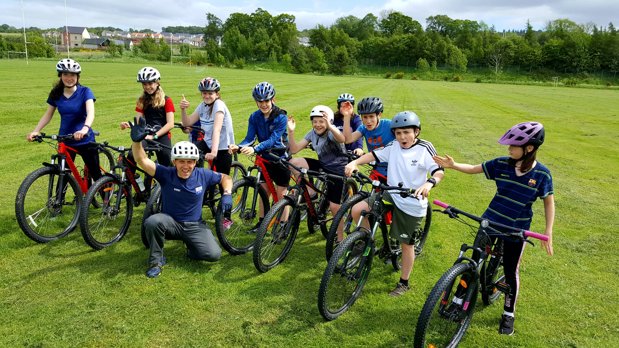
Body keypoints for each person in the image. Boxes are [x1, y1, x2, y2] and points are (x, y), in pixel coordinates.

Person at [433, 121, 554, 336]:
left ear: (529, 148)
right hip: (490, 221)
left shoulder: (542, 175)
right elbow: (474, 168)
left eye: (513, 147)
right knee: (473, 261)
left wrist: (548, 232)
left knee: (510, 271)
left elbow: (548, 202)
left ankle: (508, 313)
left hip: (516, 230)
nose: (508, 150)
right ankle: (457, 301)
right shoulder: (501, 164)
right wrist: (453, 165)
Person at [345, 111, 444, 297]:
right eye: (398, 133)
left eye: (407, 132)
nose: (402, 137)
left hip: (412, 202)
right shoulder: (393, 146)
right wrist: (355, 162)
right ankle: (367, 240)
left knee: (407, 244)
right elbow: (374, 155)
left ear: (416, 131)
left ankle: (404, 282)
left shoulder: (424, 148)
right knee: (358, 209)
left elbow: (438, 170)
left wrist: (429, 183)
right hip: (390, 194)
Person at [128, 117, 233, 278]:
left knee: (214, 255)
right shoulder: (166, 174)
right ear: (174, 162)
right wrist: (137, 142)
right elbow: (142, 160)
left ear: (195, 162)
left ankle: (192, 248)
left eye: (190, 162)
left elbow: (226, 178)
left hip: (194, 225)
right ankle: (156, 260)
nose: (186, 166)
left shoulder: (203, 174)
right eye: (181, 162)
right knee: (152, 222)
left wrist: (227, 194)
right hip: (170, 223)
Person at [228, 81, 291, 231]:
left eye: (266, 100)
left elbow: (273, 139)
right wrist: (240, 146)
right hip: (264, 158)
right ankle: (262, 223)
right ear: (256, 101)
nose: (263, 104)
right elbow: (250, 137)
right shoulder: (254, 117)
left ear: (272, 99)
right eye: (260, 101)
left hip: (280, 157)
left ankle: (283, 225)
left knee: (281, 193)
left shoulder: (281, 116)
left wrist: (255, 149)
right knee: (263, 190)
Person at [27, 58, 101, 182]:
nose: (69, 78)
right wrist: (36, 130)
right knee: (63, 174)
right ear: (60, 76)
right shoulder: (56, 93)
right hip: (65, 139)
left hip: (84, 139)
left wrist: (84, 128)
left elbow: (90, 112)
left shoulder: (85, 92)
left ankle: (105, 197)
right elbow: (48, 114)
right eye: (65, 74)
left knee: (96, 174)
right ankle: (57, 201)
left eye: (72, 75)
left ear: (77, 76)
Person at [287, 105, 347, 227]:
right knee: (293, 163)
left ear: (329, 121)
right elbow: (294, 150)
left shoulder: (331, 132)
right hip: (323, 166)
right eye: (315, 121)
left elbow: (342, 139)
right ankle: (311, 192)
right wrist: (291, 132)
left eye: (321, 121)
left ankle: (340, 239)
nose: (317, 124)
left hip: (338, 171)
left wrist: (331, 127)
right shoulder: (312, 133)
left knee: (335, 207)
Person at [120, 67, 175, 191]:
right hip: (146, 134)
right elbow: (139, 121)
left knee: (165, 161)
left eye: (150, 83)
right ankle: (131, 183)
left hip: (162, 134)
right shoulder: (141, 100)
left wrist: (155, 136)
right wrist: (129, 125)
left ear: (157, 83)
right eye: (144, 84)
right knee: (131, 155)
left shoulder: (167, 100)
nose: (147, 87)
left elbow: (170, 124)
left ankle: (168, 187)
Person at [180, 77, 235, 173]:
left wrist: (213, 152)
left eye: (210, 93)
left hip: (223, 146)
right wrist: (183, 109)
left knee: (222, 181)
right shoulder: (202, 105)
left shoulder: (219, 105)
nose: (207, 96)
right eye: (204, 93)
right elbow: (187, 123)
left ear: (217, 94)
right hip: (208, 143)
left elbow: (216, 129)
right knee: (189, 153)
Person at [341, 97, 394, 179]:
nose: (368, 121)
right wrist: (347, 116)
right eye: (365, 117)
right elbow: (348, 140)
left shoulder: (390, 125)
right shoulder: (363, 128)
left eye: (371, 116)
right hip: (378, 168)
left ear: (379, 115)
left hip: (394, 168)